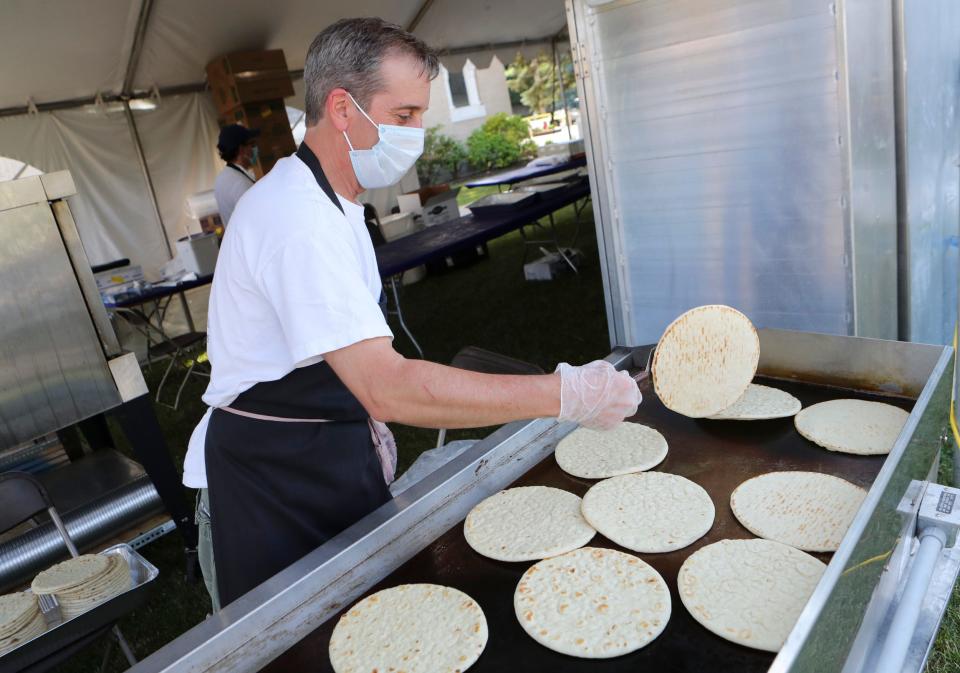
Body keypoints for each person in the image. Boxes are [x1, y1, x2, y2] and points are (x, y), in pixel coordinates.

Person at [184, 17, 641, 610]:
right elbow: (388, 389)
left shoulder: (334, 202)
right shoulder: (295, 219)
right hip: (268, 486)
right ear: (343, 109)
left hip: (322, 453)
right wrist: (565, 395)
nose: (417, 133)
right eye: (404, 116)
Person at [213, 124, 260, 226]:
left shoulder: (223, 177)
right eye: (252, 144)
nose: (255, 149)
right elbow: (257, 221)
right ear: (241, 149)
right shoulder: (240, 183)